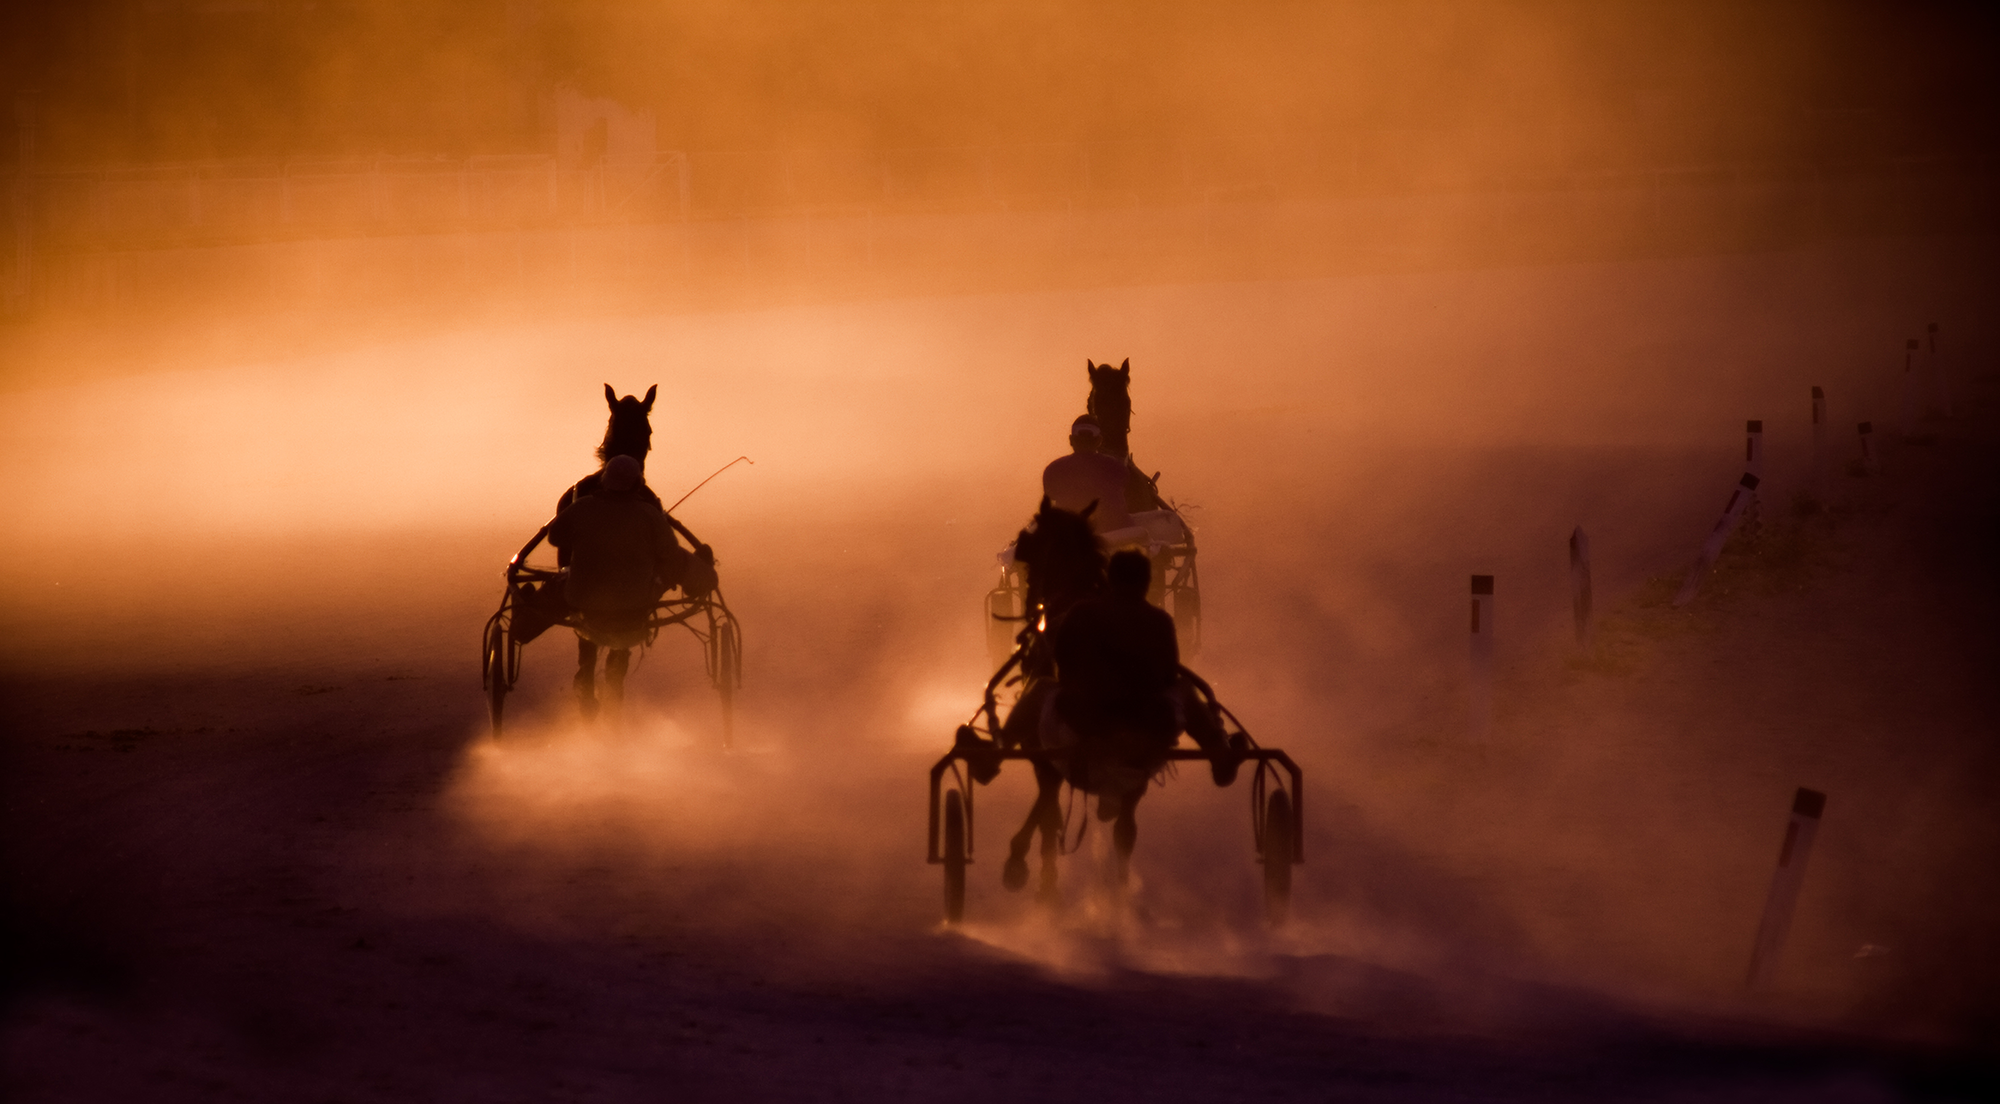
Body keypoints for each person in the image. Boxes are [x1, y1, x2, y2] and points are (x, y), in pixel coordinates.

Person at [547, 455, 696, 714]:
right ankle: (614, 687)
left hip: (584, 603)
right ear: (637, 484)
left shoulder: (581, 508)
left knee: (575, 591)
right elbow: (669, 553)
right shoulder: (650, 515)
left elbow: (555, 537)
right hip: (634, 608)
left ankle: (586, 678)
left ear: (605, 482)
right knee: (635, 594)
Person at [1040, 415, 1141, 541]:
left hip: (1070, 538)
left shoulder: (1053, 470)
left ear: (1071, 440)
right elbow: (1126, 488)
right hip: (1118, 534)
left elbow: (1051, 495)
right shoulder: (1117, 467)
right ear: (1099, 440)